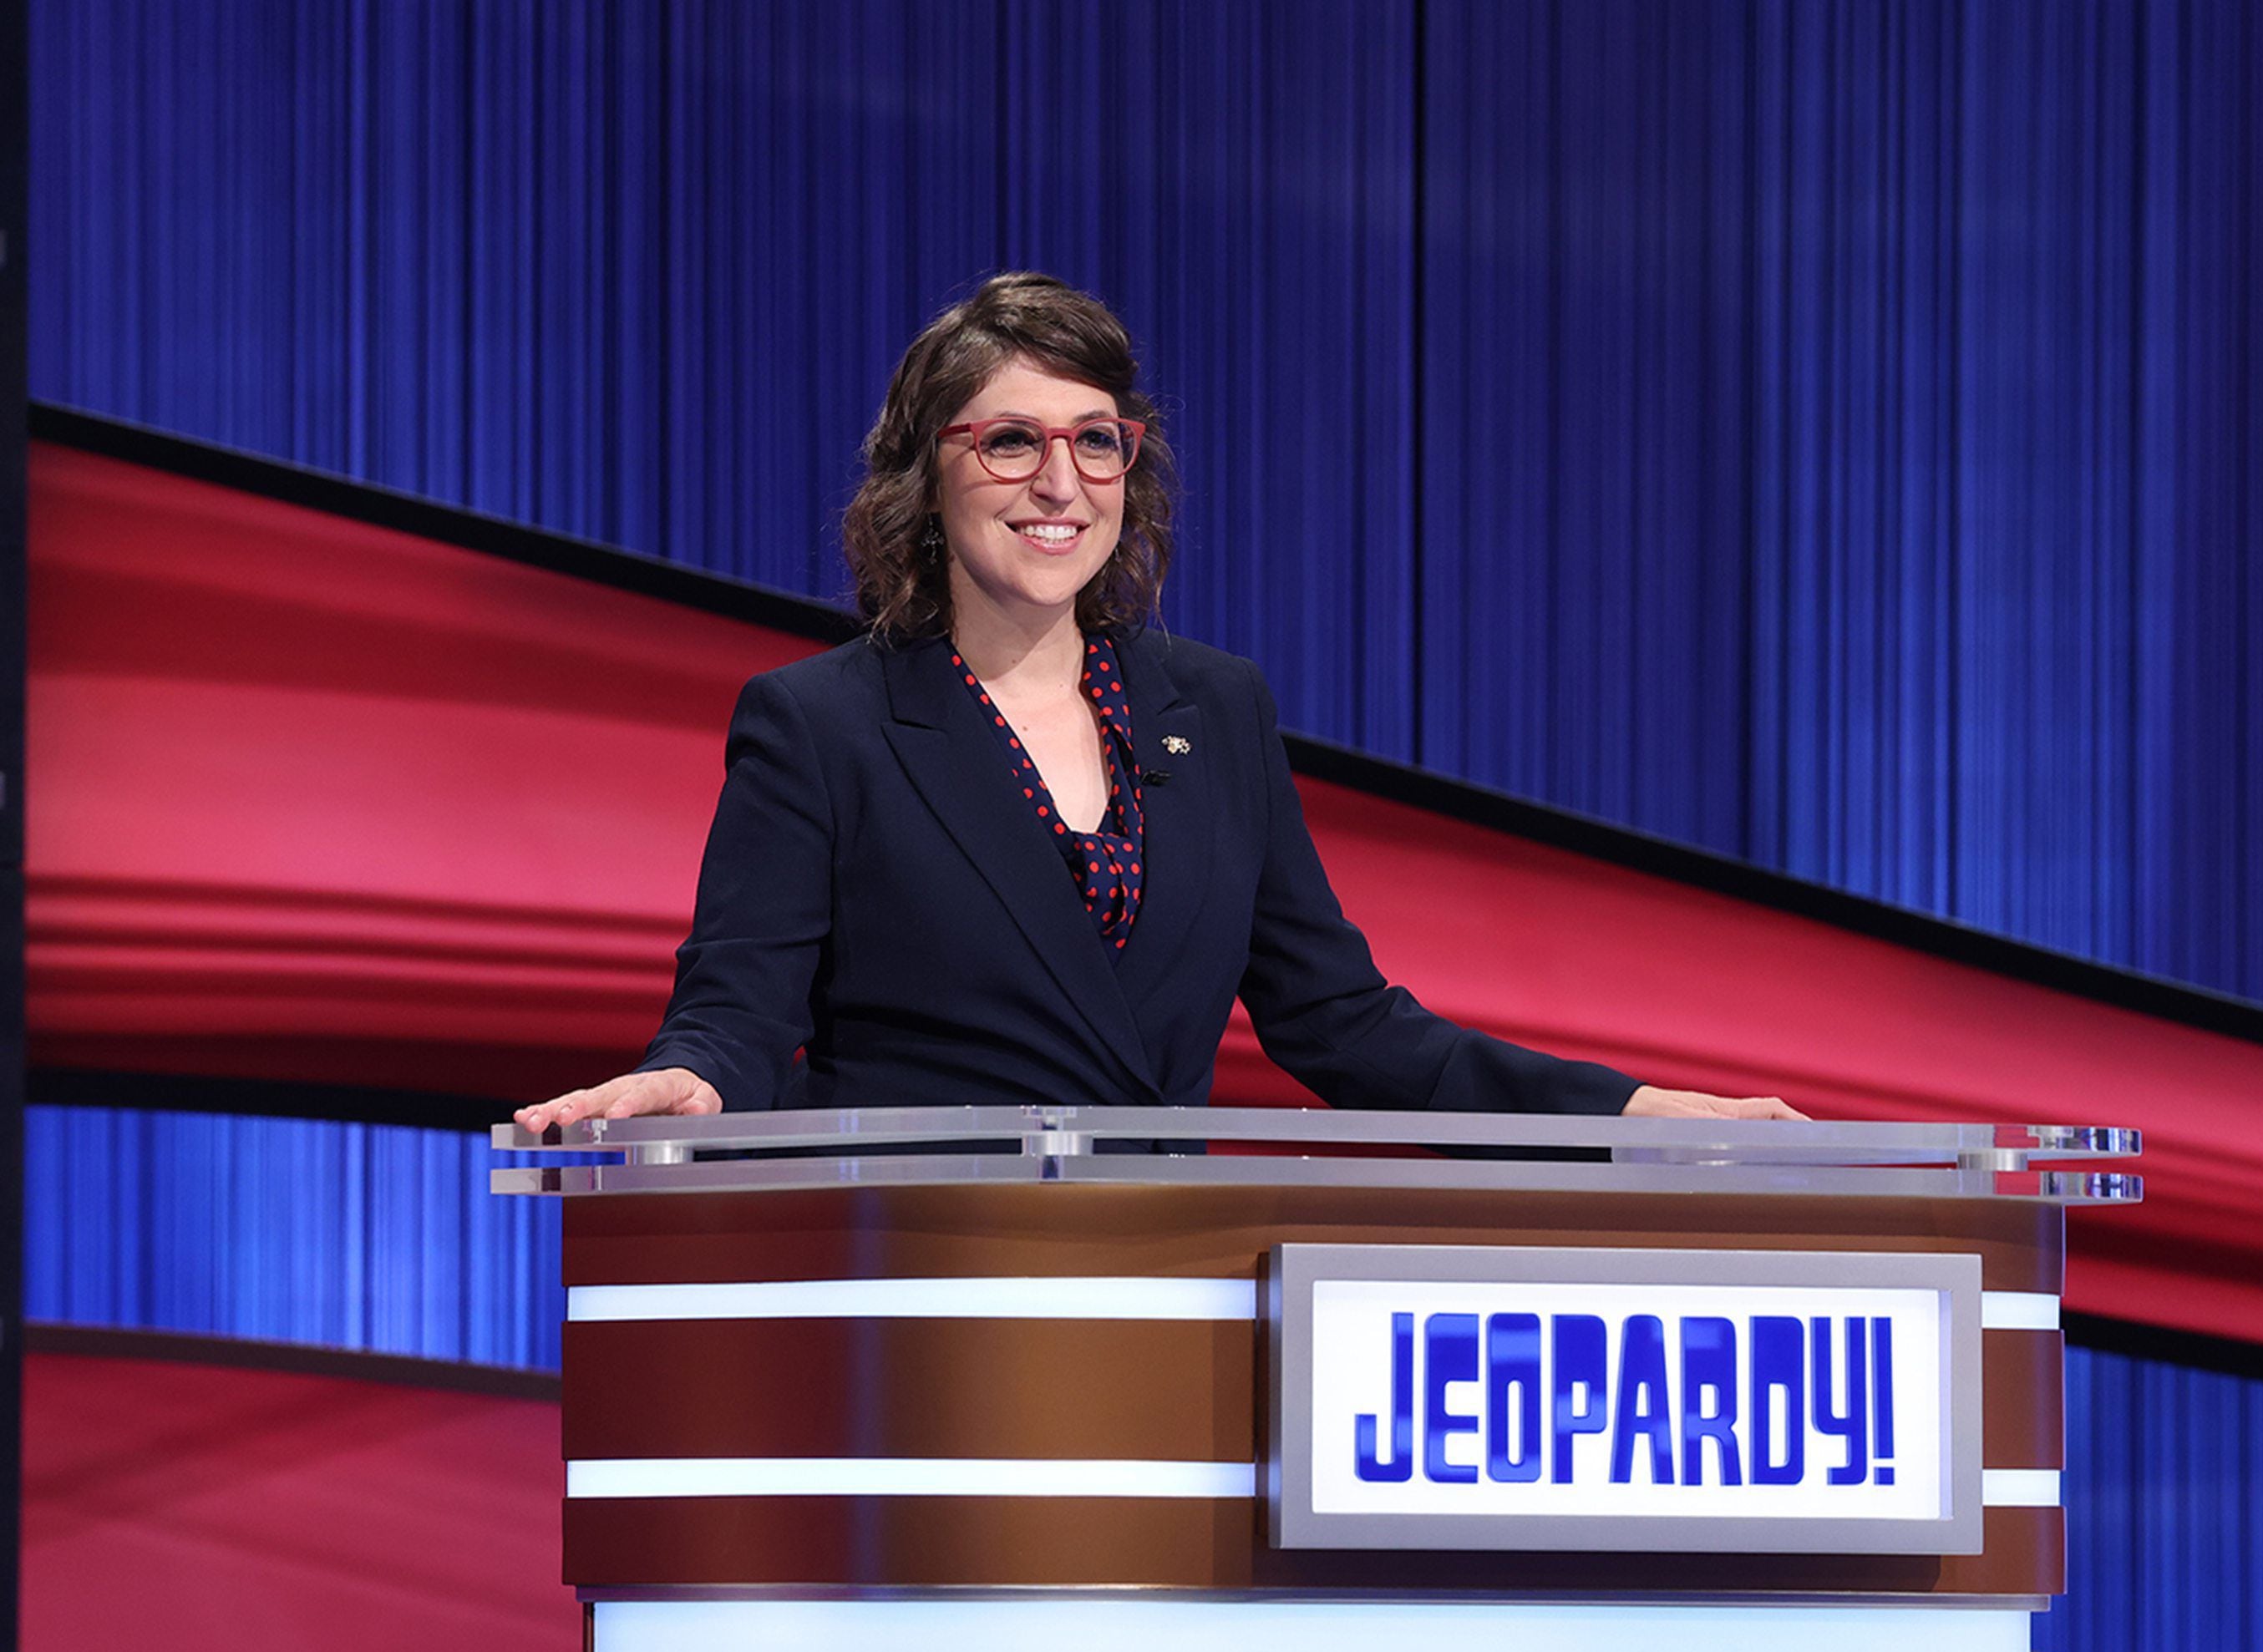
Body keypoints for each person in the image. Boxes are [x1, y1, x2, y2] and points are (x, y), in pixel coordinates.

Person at [514, 274, 1801, 1134]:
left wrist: (1625, 1112)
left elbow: (1344, 1025)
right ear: (925, 479)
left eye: (1096, 440)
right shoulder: (822, 726)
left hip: (1160, 1292)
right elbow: (741, 1009)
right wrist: (690, 1079)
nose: (1058, 482)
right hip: (925, 1286)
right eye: (1009, 441)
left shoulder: (1216, 711)